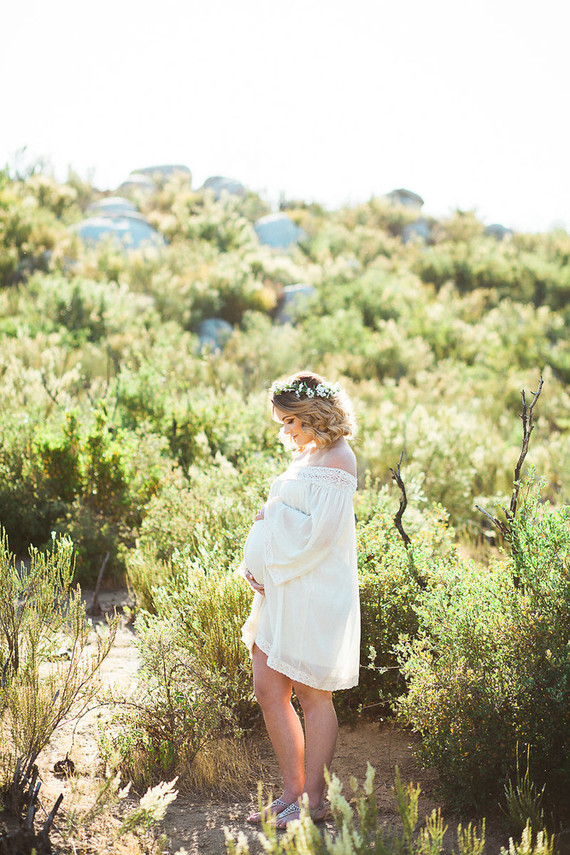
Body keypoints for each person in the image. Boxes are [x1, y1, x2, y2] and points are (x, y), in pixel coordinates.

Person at [239, 371, 360, 827]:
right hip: (284, 590)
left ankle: (312, 801)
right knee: (268, 688)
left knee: (313, 694)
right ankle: (290, 793)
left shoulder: (339, 458)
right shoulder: (311, 453)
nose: (285, 431)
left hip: (313, 591)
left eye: (292, 421)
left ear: (315, 416)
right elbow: (289, 514)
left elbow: (318, 537)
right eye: (282, 422)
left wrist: (271, 518)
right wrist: (262, 553)